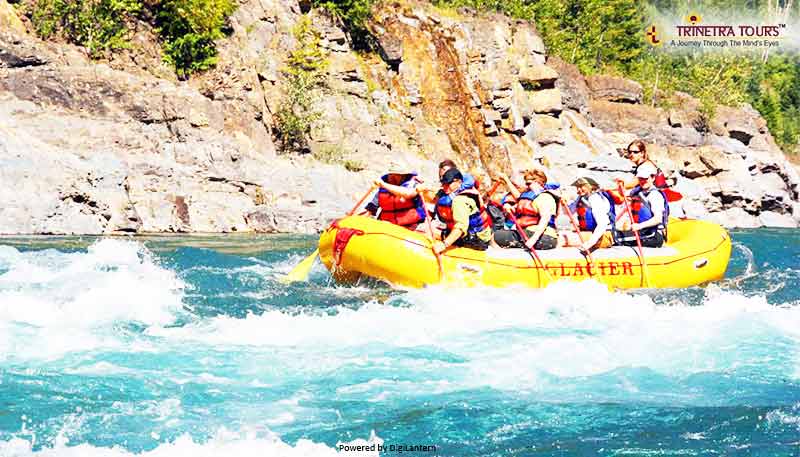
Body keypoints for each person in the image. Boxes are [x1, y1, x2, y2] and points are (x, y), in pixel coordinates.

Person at [494, 169, 559, 250]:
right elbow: (519, 201)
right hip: (528, 232)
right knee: (499, 235)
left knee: (498, 236)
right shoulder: (531, 196)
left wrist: (533, 240)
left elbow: (545, 219)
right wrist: (510, 208)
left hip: (545, 237)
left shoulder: (544, 197)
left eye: (528, 184)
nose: (526, 186)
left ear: (538, 183)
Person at [432, 168, 493, 253]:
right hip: (468, 234)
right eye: (444, 184)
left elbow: (460, 227)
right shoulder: (448, 194)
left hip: (476, 238)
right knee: (432, 231)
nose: (445, 187)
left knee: (434, 233)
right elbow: (432, 198)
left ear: (459, 182)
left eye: (448, 184)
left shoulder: (459, 201)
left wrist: (444, 244)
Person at [614, 163, 669, 248]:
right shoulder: (639, 191)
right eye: (640, 178)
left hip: (652, 235)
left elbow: (658, 219)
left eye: (645, 178)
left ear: (652, 178)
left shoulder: (655, 195)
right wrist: (620, 185)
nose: (642, 181)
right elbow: (623, 194)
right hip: (642, 231)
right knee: (614, 233)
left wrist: (639, 226)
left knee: (616, 238)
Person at [567, 177, 616, 254]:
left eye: (581, 187)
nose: (578, 190)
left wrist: (590, 243)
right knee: (564, 235)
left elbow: (602, 224)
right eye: (577, 187)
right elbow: (569, 211)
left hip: (603, 235)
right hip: (588, 232)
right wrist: (563, 202)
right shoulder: (582, 197)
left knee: (564, 239)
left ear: (590, 186)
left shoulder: (596, 199)